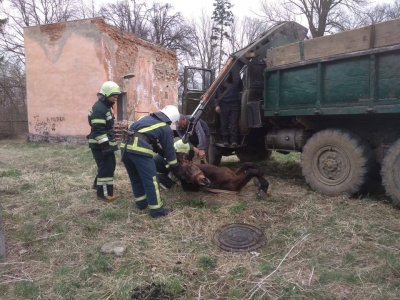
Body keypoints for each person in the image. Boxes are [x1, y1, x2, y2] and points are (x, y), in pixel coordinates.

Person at [120, 105, 182, 218]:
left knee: (135, 177)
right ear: (170, 120)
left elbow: (145, 136)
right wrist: (176, 168)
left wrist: (159, 151)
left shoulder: (145, 118)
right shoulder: (165, 128)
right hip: (138, 149)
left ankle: (141, 203)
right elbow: (170, 152)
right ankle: (157, 210)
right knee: (152, 180)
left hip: (125, 146)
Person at [87, 81, 121, 202]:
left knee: (108, 166)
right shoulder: (99, 108)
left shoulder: (105, 107)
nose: (115, 98)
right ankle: (103, 194)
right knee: (106, 167)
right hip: (100, 145)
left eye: (116, 96)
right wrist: (105, 146)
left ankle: (97, 185)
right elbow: (98, 129)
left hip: (105, 144)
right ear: (106, 94)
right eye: (114, 96)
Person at [215, 72, 243, 147]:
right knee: (224, 123)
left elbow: (241, 88)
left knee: (234, 123)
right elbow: (216, 95)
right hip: (224, 104)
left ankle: (234, 141)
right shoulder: (220, 80)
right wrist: (217, 105)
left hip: (235, 103)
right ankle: (225, 141)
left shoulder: (237, 79)